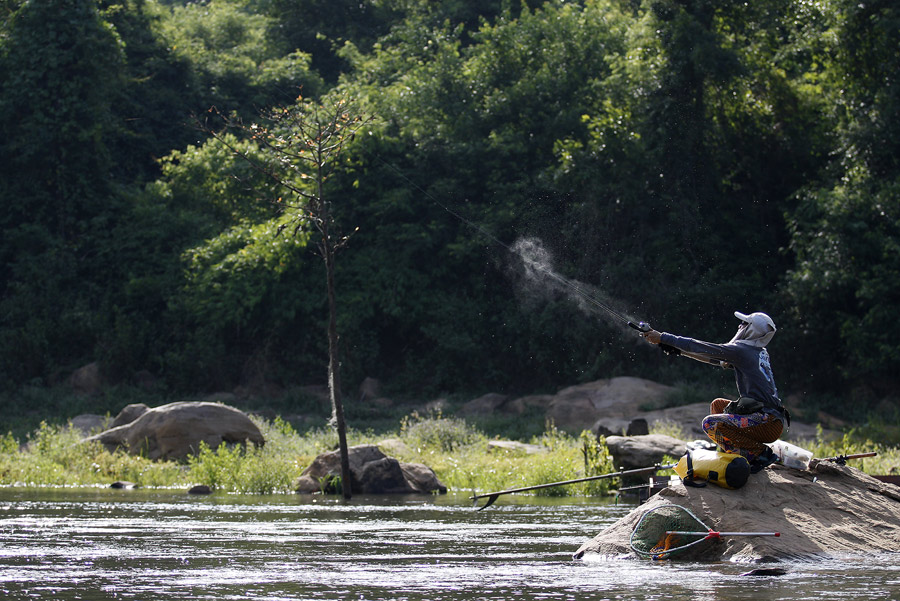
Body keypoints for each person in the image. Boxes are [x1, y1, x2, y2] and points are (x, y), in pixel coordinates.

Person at [641, 311, 787, 472]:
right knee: (718, 405)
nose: (740, 326)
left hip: (765, 423)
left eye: (744, 324)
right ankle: (736, 455)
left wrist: (662, 337)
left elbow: (699, 346)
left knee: (710, 423)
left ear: (751, 330)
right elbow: (716, 360)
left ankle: (760, 454)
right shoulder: (758, 352)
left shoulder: (742, 351)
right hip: (771, 421)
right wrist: (679, 351)